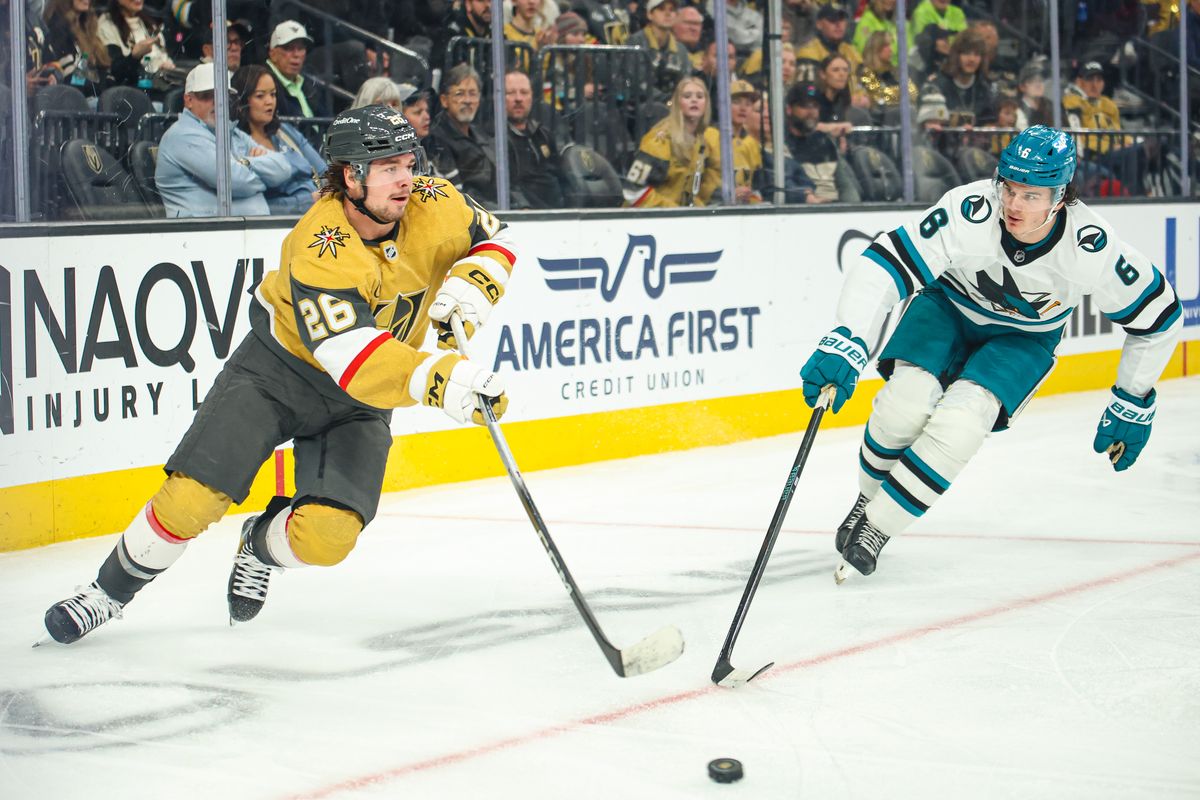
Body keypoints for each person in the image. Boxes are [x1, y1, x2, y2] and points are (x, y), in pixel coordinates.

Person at [42, 104, 516, 644]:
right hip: (279, 374)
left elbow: (498, 239)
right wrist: (441, 379)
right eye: (387, 167)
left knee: (329, 539)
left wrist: (476, 282)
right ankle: (107, 592)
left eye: (408, 162)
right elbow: (353, 357)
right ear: (350, 176)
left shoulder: (438, 200)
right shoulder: (319, 244)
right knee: (192, 499)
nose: (406, 178)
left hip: (362, 401)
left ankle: (259, 544)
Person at [798, 125, 1182, 579]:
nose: (1015, 205)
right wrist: (849, 337)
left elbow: (1160, 316)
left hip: (1023, 337)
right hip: (947, 309)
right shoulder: (971, 209)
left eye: (1032, 195)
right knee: (905, 404)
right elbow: (888, 260)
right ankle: (866, 499)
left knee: (963, 421)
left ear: (1061, 197)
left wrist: (1132, 397)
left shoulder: (1090, 246)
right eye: (1010, 188)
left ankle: (877, 527)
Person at [155, 63, 293, 217]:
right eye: (208, 95)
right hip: (201, 234)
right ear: (189, 100)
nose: (217, 102)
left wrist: (244, 163)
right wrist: (264, 180)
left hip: (243, 232)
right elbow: (234, 182)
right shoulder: (182, 135)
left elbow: (284, 168)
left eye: (222, 95)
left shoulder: (230, 131)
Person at [232, 64, 325, 215]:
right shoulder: (236, 144)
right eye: (260, 96)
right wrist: (307, 202)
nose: (269, 101)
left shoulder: (284, 131)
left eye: (273, 94)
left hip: (319, 210)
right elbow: (262, 206)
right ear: (242, 101)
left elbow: (323, 171)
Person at [623, 75, 718, 207]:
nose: (694, 100)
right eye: (687, 96)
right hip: (646, 221)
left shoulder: (703, 142)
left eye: (699, 96)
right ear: (677, 103)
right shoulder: (659, 141)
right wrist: (673, 211)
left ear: (706, 104)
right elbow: (632, 192)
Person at [428, 64, 496, 206]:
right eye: (460, 93)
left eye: (472, 93)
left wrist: (523, 206)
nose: (467, 100)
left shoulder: (482, 133)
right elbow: (457, 194)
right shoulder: (437, 139)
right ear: (444, 100)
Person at [504, 69, 564, 208]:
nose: (518, 98)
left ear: (531, 97)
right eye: (511, 93)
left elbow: (561, 177)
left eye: (524, 92)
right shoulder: (493, 139)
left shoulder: (543, 135)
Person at [700, 78, 763, 204]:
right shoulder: (708, 136)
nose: (743, 108)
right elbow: (695, 183)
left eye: (748, 104)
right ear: (721, 104)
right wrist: (727, 194)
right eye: (736, 102)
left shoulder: (752, 143)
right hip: (713, 210)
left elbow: (756, 185)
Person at [96, 0, 175, 93]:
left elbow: (163, 54)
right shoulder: (107, 25)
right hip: (132, 91)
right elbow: (116, 71)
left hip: (163, 84)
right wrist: (135, 56)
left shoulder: (147, 22)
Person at [42, 0, 111, 94]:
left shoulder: (87, 25)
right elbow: (70, 78)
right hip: (72, 98)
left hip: (92, 95)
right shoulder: (57, 27)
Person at [264, 20, 329, 119]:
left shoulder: (308, 80)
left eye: (301, 48)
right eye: (289, 48)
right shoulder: (263, 81)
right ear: (273, 54)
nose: (296, 54)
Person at [627, 0, 691, 101]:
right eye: (661, 9)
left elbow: (686, 82)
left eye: (672, 10)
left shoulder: (681, 49)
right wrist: (668, 100)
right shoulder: (636, 41)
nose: (668, 14)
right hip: (640, 106)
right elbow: (637, 83)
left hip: (674, 104)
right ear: (649, 14)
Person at [930, 28, 994, 127]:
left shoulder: (984, 89)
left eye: (977, 54)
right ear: (956, 56)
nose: (972, 59)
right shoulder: (938, 86)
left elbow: (989, 123)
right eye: (966, 53)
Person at [795, 4, 862, 75]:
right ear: (819, 24)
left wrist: (873, 85)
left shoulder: (851, 52)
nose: (838, 24)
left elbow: (871, 83)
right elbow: (807, 86)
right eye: (832, 19)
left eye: (841, 19)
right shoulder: (808, 53)